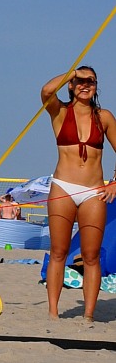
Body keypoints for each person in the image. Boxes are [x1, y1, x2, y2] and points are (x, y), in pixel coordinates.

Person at [41, 65, 116, 321]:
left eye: (91, 81)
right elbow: (46, 90)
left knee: (91, 256)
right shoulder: (60, 112)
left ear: (96, 86)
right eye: (80, 81)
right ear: (71, 85)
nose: (85, 85)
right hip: (63, 187)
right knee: (58, 251)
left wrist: (114, 182)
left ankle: (88, 316)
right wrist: (73, 73)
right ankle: (53, 313)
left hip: (93, 191)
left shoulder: (104, 117)